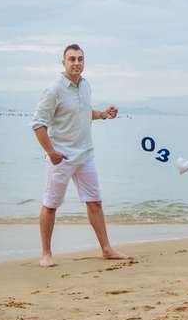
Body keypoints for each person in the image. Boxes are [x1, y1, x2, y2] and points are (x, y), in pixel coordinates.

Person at [31, 43, 131, 267]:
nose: (76, 63)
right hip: (61, 157)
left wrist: (103, 114)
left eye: (80, 59)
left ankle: (106, 249)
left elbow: (83, 114)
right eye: (72, 59)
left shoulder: (85, 86)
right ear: (64, 62)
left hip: (86, 155)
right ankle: (46, 254)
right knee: (50, 204)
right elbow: (38, 124)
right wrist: (51, 152)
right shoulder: (54, 89)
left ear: (84, 62)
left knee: (95, 202)